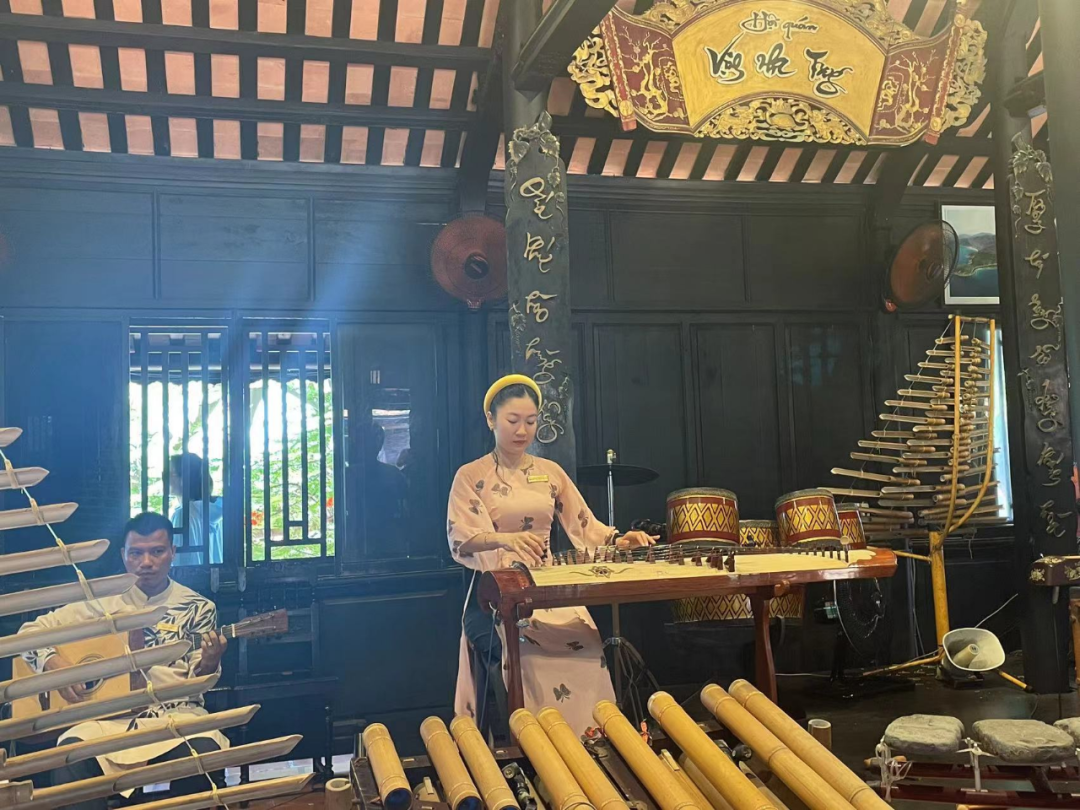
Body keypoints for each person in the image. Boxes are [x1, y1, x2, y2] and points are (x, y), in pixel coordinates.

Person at [447, 375, 656, 735]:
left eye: (530, 421)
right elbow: (461, 537)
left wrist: (621, 541)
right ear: (491, 419)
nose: (522, 430)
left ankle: (592, 745)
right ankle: (541, 748)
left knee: (587, 645)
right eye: (513, 420)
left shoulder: (550, 472)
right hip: (497, 593)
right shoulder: (471, 475)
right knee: (529, 656)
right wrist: (505, 540)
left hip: (548, 587)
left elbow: (584, 525)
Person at [19, 512, 229, 808]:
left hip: (175, 716)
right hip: (105, 720)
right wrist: (54, 663)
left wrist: (210, 660)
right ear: (123, 555)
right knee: (70, 756)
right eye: (136, 553)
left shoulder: (197, 607)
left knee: (203, 752)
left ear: (172, 552)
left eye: (157, 551)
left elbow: (199, 680)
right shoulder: (99, 602)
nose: (146, 562)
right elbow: (29, 633)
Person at [169, 452, 224, 566]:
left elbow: (179, 564)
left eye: (172, 473)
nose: (166, 478)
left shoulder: (183, 514)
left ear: (184, 479)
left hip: (189, 577)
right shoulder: (217, 511)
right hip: (215, 576)